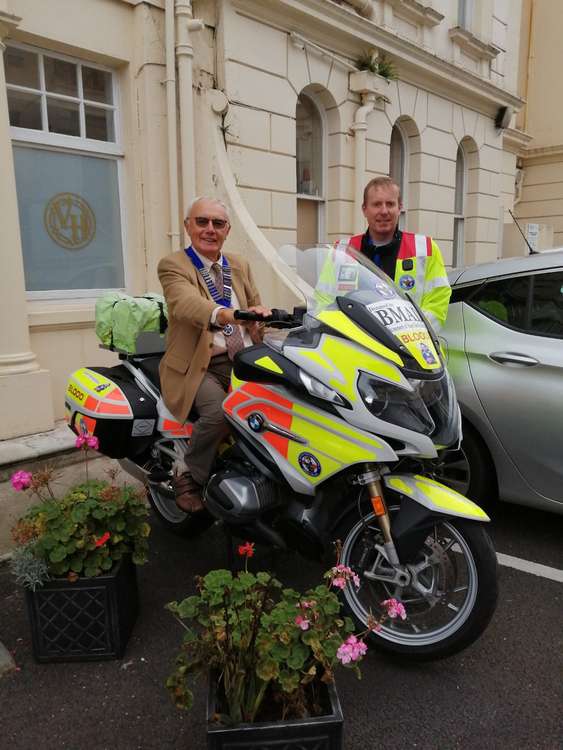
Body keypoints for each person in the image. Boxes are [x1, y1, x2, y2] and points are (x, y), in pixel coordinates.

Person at [158, 197, 270, 513]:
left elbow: (256, 308)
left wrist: (263, 315)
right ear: (187, 226)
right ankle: (187, 474)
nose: (210, 229)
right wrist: (230, 314)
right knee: (221, 414)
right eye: (202, 222)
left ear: (227, 230)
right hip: (200, 365)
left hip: (246, 360)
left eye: (217, 224)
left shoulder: (239, 264)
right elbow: (187, 305)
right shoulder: (174, 265)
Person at [336, 176, 451, 330]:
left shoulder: (426, 248)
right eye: (376, 204)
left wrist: (410, 333)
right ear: (364, 209)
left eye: (390, 204)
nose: (384, 211)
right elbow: (324, 299)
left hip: (409, 345)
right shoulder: (343, 250)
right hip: (355, 344)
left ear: (399, 208)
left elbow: (438, 301)